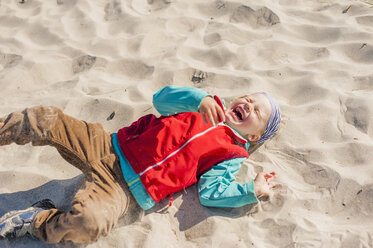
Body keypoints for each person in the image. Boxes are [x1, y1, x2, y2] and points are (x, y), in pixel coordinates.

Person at [0, 85, 281, 244]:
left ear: (254, 136)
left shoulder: (232, 153)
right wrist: (200, 99)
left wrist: (250, 189)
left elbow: (212, 192)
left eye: (258, 111)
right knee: (45, 119)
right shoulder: (203, 105)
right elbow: (160, 99)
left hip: (123, 190)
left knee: (89, 223)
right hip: (107, 145)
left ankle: (37, 220)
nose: (249, 104)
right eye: (249, 97)